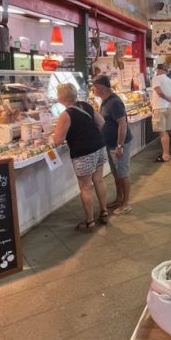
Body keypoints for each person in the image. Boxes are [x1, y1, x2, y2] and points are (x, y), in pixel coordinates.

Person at [51, 83, 109, 232]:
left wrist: (51, 137)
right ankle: (104, 211)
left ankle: (90, 221)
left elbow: (58, 140)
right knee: (99, 180)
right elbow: (102, 122)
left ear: (62, 97)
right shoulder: (85, 105)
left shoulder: (66, 115)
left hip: (83, 152)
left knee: (85, 187)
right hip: (99, 145)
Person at [92, 76, 133, 215]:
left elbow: (123, 124)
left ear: (102, 87)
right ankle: (119, 198)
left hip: (119, 144)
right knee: (116, 173)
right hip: (110, 144)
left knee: (123, 174)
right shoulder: (105, 101)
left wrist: (120, 145)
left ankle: (126, 203)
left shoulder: (114, 102)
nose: (93, 89)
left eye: (94, 86)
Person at [150, 64, 171, 162]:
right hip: (167, 109)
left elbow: (159, 92)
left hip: (159, 108)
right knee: (165, 132)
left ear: (159, 70)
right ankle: (165, 153)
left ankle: (165, 155)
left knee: (163, 133)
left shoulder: (156, 78)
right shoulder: (169, 80)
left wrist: (169, 100)